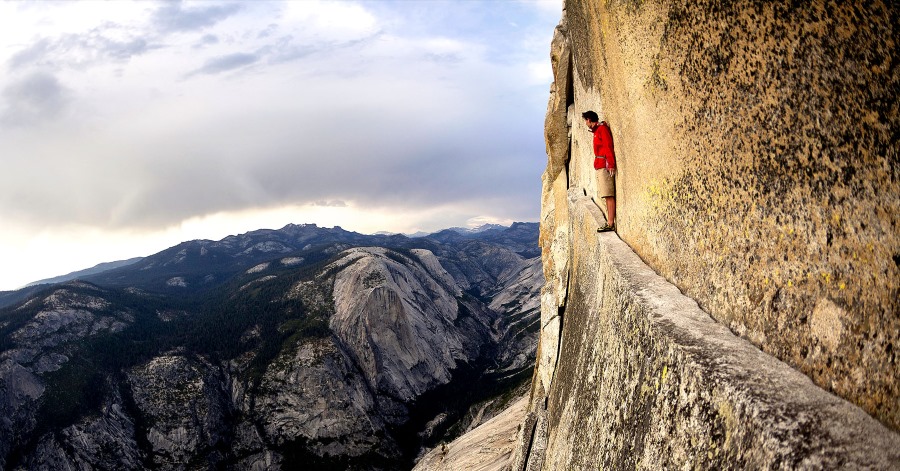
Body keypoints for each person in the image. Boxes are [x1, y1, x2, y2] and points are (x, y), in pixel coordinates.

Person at [582, 110, 616, 232]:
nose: (585, 123)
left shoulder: (602, 130)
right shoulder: (597, 131)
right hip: (600, 165)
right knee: (606, 195)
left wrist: (611, 164)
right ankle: (609, 221)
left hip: (604, 165)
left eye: (585, 120)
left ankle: (610, 223)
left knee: (608, 194)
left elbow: (608, 146)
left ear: (589, 120)